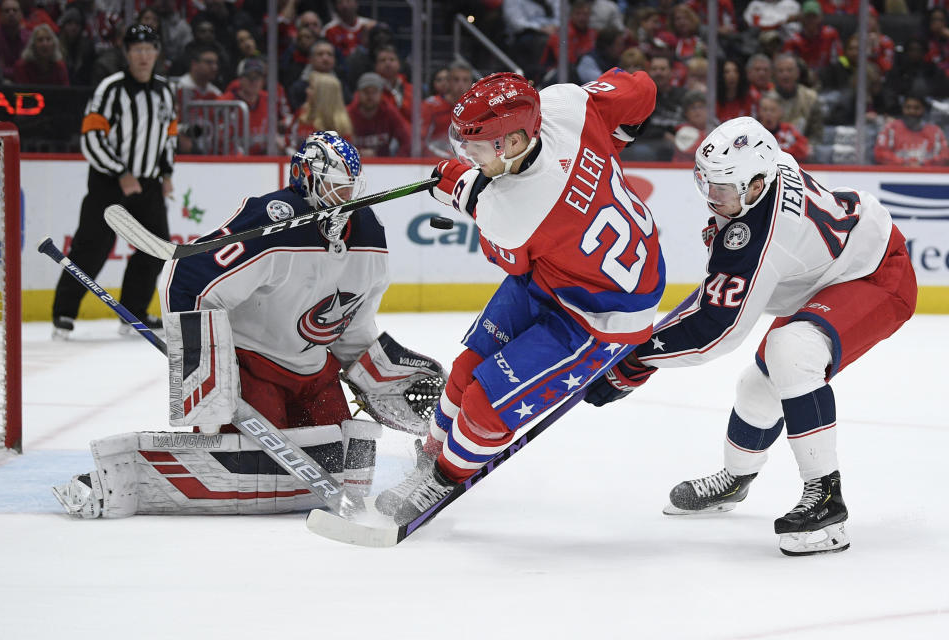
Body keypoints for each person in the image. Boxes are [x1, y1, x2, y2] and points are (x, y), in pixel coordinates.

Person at [51, 131, 447, 518]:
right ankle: (118, 479)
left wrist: (378, 375)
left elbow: (351, 322)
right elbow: (188, 280)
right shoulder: (272, 221)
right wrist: (205, 383)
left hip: (314, 374)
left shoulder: (369, 234)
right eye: (334, 186)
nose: (345, 197)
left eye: (350, 187)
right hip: (252, 370)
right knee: (253, 473)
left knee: (348, 471)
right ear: (305, 178)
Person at [584, 116, 917, 556]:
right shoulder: (765, 170)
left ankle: (827, 504)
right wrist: (647, 348)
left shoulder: (762, 233)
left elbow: (718, 331)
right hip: (831, 271)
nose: (711, 197)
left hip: (875, 274)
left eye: (722, 187)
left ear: (757, 184)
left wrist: (636, 359)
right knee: (757, 386)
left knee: (791, 351)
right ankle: (735, 480)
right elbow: (717, 298)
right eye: (707, 183)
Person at [375, 69, 666, 526]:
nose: (466, 153)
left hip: (602, 314)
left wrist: (458, 186)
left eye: (477, 145)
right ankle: (431, 451)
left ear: (512, 142)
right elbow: (642, 87)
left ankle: (443, 476)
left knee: (485, 403)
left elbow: (512, 257)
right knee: (468, 366)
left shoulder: (512, 213)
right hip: (563, 272)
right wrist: (617, 137)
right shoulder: (567, 106)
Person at [52, 25, 176, 339]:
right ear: (126, 53)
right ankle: (64, 313)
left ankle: (132, 313)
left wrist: (167, 174)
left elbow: (168, 136)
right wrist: (121, 173)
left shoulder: (165, 90)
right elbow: (91, 137)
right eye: (137, 49)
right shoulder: (111, 88)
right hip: (109, 182)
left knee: (156, 245)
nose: (144, 56)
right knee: (92, 247)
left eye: (149, 49)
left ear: (157, 52)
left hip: (147, 184)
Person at [874, 94, 949, 167]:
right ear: (903, 108)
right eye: (908, 107)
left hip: (928, 176)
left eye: (916, 108)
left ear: (923, 109)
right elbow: (880, 153)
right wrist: (903, 163)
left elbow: (945, 156)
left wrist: (923, 164)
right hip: (896, 175)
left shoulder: (935, 131)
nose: (912, 111)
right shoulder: (890, 129)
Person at [347, 72, 410, 157]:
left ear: (381, 94)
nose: (370, 96)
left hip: (384, 166)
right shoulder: (348, 114)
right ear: (358, 93)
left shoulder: (389, 111)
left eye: (374, 92)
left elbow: (407, 139)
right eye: (366, 92)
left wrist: (396, 162)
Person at [757, 94, 810, 161]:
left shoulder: (789, 130)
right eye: (764, 110)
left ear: (780, 112)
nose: (768, 113)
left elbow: (804, 150)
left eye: (772, 110)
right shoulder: (753, 132)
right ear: (759, 111)